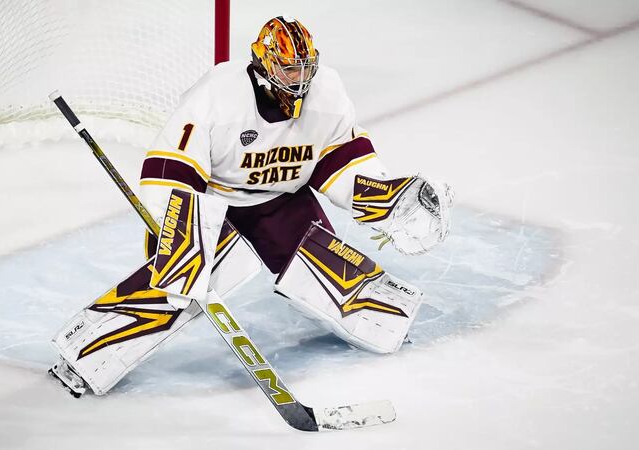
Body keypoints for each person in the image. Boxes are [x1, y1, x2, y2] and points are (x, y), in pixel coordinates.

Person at [49, 16, 453, 397]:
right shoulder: (217, 96)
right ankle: (85, 353)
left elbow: (341, 161)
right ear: (264, 63)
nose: (299, 79)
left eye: (305, 69)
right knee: (180, 278)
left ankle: (382, 322)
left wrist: (384, 195)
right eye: (288, 69)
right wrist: (178, 232)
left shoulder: (327, 93)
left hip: (282, 201)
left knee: (329, 268)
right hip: (213, 204)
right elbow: (171, 169)